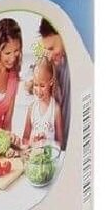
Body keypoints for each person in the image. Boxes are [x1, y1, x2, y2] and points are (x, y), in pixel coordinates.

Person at [38, 17, 70, 149]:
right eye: (47, 49)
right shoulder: (55, 61)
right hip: (59, 142)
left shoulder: (76, 62)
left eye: (52, 48)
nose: (50, 55)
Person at [22, 56, 63, 146]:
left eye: (42, 86)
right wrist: (32, 141)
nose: (38, 90)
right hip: (33, 153)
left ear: (51, 82)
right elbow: (24, 139)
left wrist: (46, 142)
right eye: (35, 85)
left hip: (49, 154)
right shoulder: (31, 108)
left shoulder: (56, 109)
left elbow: (60, 143)